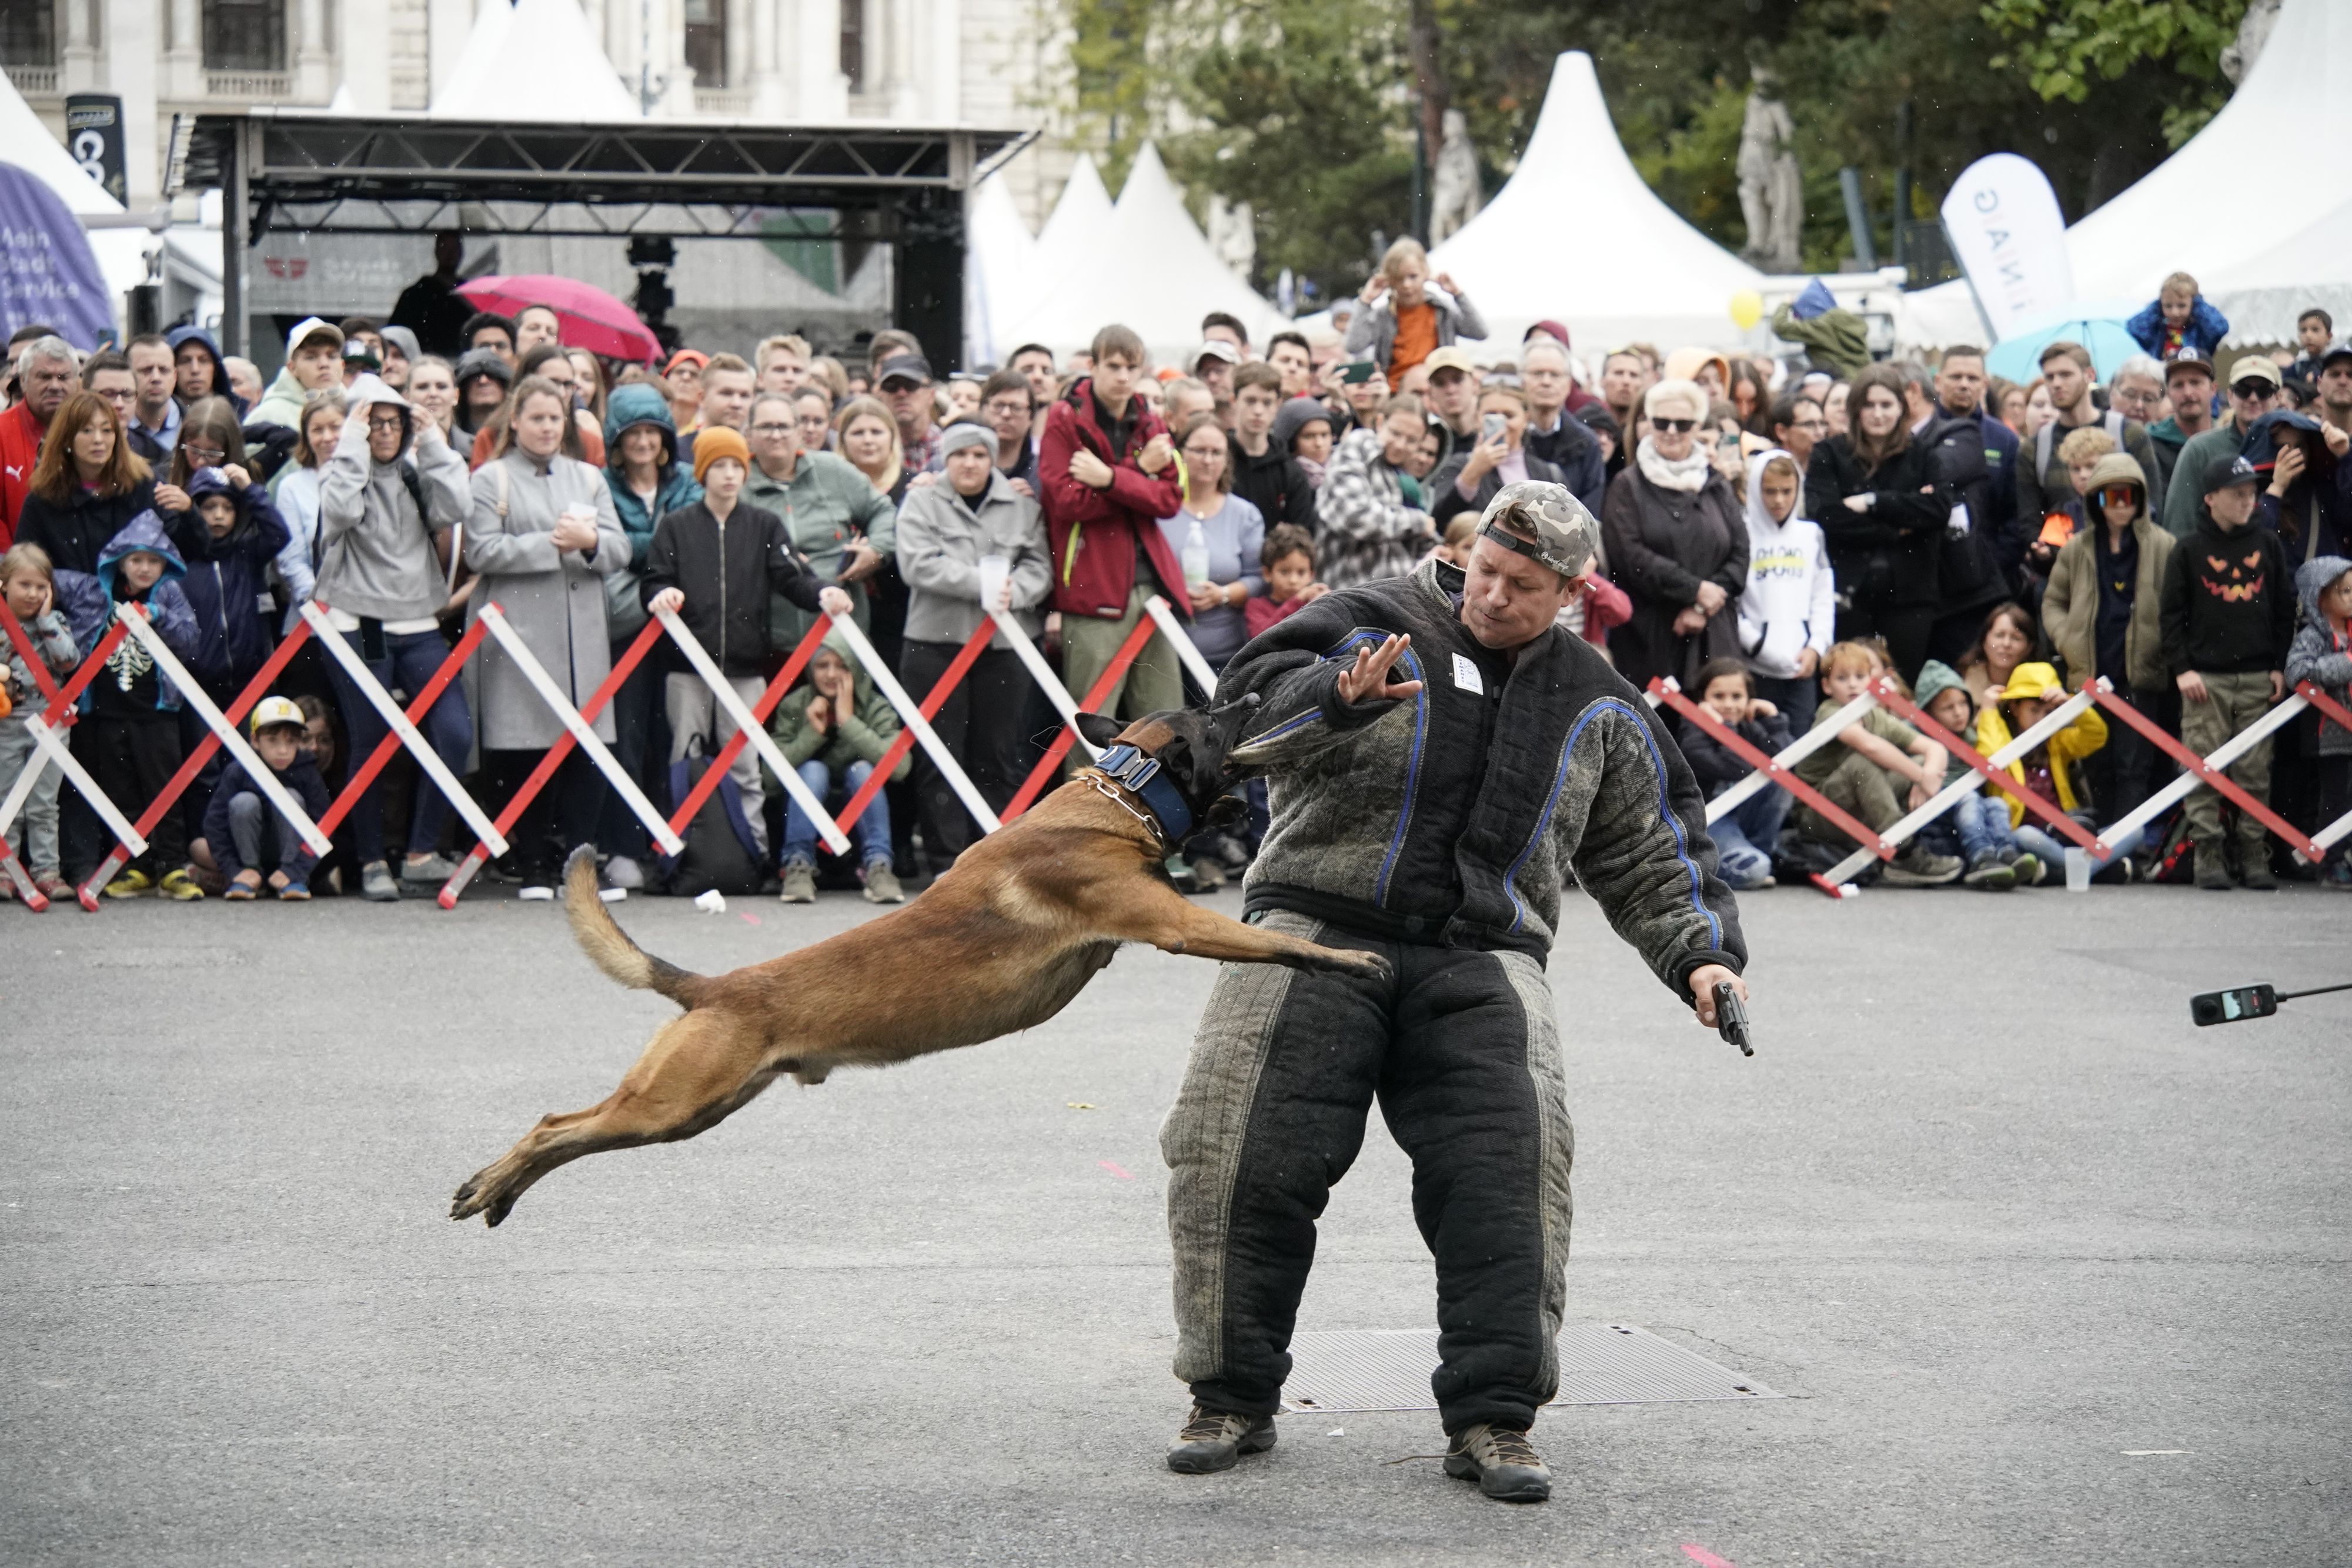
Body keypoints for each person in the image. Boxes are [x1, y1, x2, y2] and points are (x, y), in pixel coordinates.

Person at [1164, 481, 1746, 1502]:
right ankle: (1230, 1396)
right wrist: (1336, 700)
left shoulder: (1597, 697)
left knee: (1512, 1178)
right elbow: (1237, 717)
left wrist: (1701, 955)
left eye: (1523, 586)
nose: (1492, 595)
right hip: (1313, 924)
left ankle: (1494, 1418)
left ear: (1573, 590)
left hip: (1485, 952)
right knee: (1237, 1155)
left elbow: (1653, 844)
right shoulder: (1364, 617)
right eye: (1483, 569)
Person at [643, 424, 850, 884]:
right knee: (683, 760)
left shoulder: (765, 525)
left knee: (746, 768)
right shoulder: (676, 526)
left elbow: (791, 576)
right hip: (687, 669)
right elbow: (653, 579)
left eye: (737, 465)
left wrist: (824, 593)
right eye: (720, 466)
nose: (731, 475)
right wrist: (662, 594)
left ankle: (755, 854)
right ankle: (679, 855)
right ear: (703, 473)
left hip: (743, 668)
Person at [464, 375, 630, 900]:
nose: (546, 428)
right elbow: (481, 552)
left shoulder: (589, 477)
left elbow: (620, 549)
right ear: (514, 420)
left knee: (588, 746)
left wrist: (592, 542)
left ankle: (580, 864)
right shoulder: (492, 479)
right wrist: (554, 545)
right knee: (523, 745)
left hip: (581, 630)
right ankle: (533, 860)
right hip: (520, 630)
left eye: (555, 418)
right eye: (536, 418)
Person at [316, 373, 472, 902]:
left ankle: (421, 852)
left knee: (453, 730)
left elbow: (456, 506)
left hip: (418, 622)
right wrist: (352, 443)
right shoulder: (344, 468)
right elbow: (340, 512)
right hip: (363, 624)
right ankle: (371, 860)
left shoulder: (413, 469)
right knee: (372, 741)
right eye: (373, 421)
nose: (384, 431)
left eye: (393, 421)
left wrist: (432, 442)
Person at [894, 422, 1051, 867]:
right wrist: (982, 583)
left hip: (1004, 644)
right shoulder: (922, 500)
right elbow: (917, 564)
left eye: (980, 455)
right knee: (939, 754)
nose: (970, 463)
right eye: (960, 454)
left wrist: (1014, 591)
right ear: (945, 457)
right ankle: (948, 861)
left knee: (999, 753)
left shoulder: (1021, 505)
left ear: (993, 458)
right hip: (934, 643)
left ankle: (1000, 860)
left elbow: (1040, 565)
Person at [1038, 323, 1189, 726]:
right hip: (1094, 588)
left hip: (1153, 586)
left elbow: (1171, 498)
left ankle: (1159, 793)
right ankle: (1086, 794)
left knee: (1164, 725)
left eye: (1132, 367)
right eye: (1114, 365)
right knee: (1091, 726)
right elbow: (1069, 501)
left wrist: (1109, 478)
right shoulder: (1064, 417)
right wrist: (1139, 472)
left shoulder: (1148, 416)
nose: (1124, 376)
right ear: (1093, 366)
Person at [2160, 456, 2293, 890]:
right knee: (2204, 766)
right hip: (2205, 679)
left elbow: (2282, 608)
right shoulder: (2189, 549)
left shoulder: (2268, 544)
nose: (2246, 501)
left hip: (2257, 676)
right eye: (2237, 493)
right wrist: (2182, 669)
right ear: (2211, 498)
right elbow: (2170, 615)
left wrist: (2278, 664)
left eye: (2251, 493)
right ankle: (2208, 852)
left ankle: (2254, 851)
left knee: (2255, 770)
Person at [61, 513, 203, 899]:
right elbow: (43, 576)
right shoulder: (95, 591)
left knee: (165, 788)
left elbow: (191, 640)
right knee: (119, 790)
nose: (145, 568)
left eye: (154, 561)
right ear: (120, 561)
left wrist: (159, 616)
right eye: (136, 560)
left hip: (156, 711)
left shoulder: (170, 594)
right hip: (107, 710)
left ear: (165, 564)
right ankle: (135, 864)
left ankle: (172, 865)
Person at [2041, 452, 2174, 823]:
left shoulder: (2163, 546)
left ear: (2141, 499)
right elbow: (2053, 601)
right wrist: (2067, 639)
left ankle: (2127, 843)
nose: (2118, 505)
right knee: (2096, 759)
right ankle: (2100, 840)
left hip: (2140, 672)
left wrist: (2162, 646)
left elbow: (2177, 606)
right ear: (2095, 500)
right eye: (2109, 496)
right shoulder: (2076, 549)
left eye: (2127, 495)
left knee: (2134, 763)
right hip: (2091, 670)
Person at [1602, 378, 1747, 695]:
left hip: (1714, 632)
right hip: (1651, 633)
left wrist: (1701, 606)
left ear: (1697, 427)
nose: (1671, 431)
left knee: (1713, 734)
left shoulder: (1716, 484)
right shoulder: (1628, 485)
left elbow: (1740, 555)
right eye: (1662, 422)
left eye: (1682, 424)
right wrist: (1693, 589)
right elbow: (1629, 556)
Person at [1808, 363, 1950, 681]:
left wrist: (1874, 502)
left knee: (1901, 684)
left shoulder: (1923, 454)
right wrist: (1897, 526)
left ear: (1902, 407)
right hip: (1849, 591)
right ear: (1855, 410)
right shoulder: (1829, 454)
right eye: (1869, 405)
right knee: (1846, 685)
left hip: (1910, 593)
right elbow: (1828, 516)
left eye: (1886, 405)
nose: (1878, 414)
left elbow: (1938, 509)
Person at [1788, 641, 1962, 884]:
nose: (1852, 684)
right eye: (1842, 678)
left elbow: (1934, 747)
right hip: (1817, 815)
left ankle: (1904, 841)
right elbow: (1869, 746)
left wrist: (1928, 776)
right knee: (1862, 763)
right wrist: (1921, 777)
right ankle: (1904, 852)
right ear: (1827, 686)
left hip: (1857, 807)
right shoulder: (1830, 711)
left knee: (1923, 761)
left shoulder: (1875, 714)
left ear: (1871, 680)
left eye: (1860, 676)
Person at [742, 392, 896, 651]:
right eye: (766, 427)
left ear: (799, 432)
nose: (776, 435)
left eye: (784, 426)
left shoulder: (833, 470)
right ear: (748, 435)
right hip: (769, 640)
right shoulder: (738, 484)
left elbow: (884, 512)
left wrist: (877, 550)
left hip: (840, 636)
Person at [768, 636, 905, 903]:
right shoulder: (794, 705)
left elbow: (900, 768)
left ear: (854, 668)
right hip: (806, 821)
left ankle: (878, 866)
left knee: (863, 770)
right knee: (813, 770)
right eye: (822, 665)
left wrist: (848, 722)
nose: (831, 674)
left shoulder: (875, 706)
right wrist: (812, 733)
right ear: (810, 670)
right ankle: (797, 865)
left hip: (859, 825)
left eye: (841, 666)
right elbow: (769, 779)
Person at [161, 464, 291, 713]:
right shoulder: (180, 557)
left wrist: (250, 489)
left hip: (249, 683)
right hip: (196, 686)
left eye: (228, 508)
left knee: (246, 752)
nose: (219, 515)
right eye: (209, 507)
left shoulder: (248, 553)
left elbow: (279, 534)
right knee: (203, 753)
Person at [1972, 661, 2114, 874]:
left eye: (2048, 712)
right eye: (2034, 710)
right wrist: (1988, 710)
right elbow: (1990, 756)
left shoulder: (2057, 742)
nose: (2041, 719)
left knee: (2135, 831)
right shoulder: (2002, 738)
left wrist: (2070, 704)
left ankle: (2064, 872)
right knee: (2026, 835)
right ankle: (2092, 871)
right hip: (2026, 837)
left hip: (2065, 833)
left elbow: (2096, 736)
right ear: (2014, 707)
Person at [1736, 447, 1835, 730]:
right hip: (1757, 665)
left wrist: (1816, 646)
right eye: (1770, 491)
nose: (1779, 500)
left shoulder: (1811, 535)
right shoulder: (1742, 533)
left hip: (1801, 665)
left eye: (1787, 491)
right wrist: (1757, 646)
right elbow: (1733, 601)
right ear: (1756, 490)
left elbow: (1822, 596)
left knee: (1798, 744)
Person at [1158, 417, 1266, 674]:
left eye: (1216, 453)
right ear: (1180, 453)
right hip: (1165, 655)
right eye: (1199, 451)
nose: (1208, 460)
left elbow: (1259, 579)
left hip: (1228, 654)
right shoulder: (1159, 511)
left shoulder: (1244, 514)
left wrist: (1223, 594)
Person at [0, 541, 77, 899]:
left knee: (45, 803)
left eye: (40, 587)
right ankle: (6, 869)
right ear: (4, 584)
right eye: (24, 585)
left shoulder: (55, 622)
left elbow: (68, 661)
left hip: (50, 725)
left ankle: (47, 871)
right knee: (6, 799)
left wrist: (46, 620)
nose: (32, 594)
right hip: (6, 725)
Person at [14, 390, 158, 578]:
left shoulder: (140, 485)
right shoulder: (43, 499)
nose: (98, 440)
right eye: (87, 431)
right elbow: (26, 567)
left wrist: (188, 511)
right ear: (67, 438)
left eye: (107, 430)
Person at [2019, 341, 2165, 526]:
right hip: (2064, 552)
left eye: (2065, 375)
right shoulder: (2035, 448)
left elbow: (2152, 506)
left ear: (2090, 375)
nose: (2056, 384)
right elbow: (2029, 520)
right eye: (2050, 377)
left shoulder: (2129, 434)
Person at [1910, 661, 2027, 889]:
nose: (1959, 713)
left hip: (1965, 818)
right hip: (1934, 823)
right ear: (1929, 713)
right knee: (1970, 797)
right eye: (1948, 708)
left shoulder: (1971, 738)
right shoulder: (1917, 738)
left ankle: (2006, 853)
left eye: (1963, 703)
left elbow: (1993, 757)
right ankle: (1981, 858)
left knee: (1995, 804)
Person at [205, 696, 332, 901]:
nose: (282, 750)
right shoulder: (238, 771)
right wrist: (234, 870)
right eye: (272, 740)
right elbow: (214, 823)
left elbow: (325, 825)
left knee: (291, 797)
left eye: (291, 741)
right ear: (255, 740)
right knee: (243, 802)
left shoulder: (307, 772)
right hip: (246, 854)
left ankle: (292, 881)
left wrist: (296, 869)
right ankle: (248, 878)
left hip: (291, 858)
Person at [1681, 657, 1792, 890]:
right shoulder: (1692, 736)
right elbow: (1737, 769)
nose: (1729, 705)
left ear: (1749, 699)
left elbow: (1785, 762)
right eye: (1719, 697)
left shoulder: (1749, 728)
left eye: (1737, 697)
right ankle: (1705, 868)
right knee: (1756, 870)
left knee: (1778, 782)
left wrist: (1773, 718)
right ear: (1703, 700)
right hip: (1712, 820)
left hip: (1743, 817)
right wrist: (1722, 727)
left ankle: (1756, 854)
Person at [1317, 393, 1436, 593]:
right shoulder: (1361, 445)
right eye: (1396, 433)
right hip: (1349, 591)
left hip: (1392, 594)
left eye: (1411, 440)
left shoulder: (1404, 476)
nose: (1400, 445)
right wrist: (1418, 522)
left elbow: (1421, 537)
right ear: (1380, 423)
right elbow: (1353, 517)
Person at [2163, 356, 2285, 539]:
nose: (2253, 398)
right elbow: (2180, 527)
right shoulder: (2200, 449)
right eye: (2243, 390)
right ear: (2230, 396)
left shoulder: (2292, 447)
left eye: (2264, 391)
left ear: (2278, 397)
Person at [2287, 554, 2352, 888]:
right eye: (2345, 591)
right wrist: (2345, 664)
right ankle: (2331, 861)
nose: (2351, 598)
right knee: (2336, 799)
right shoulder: (2315, 636)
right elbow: (2297, 671)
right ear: (2320, 598)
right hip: (2332, 734)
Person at [1432, 382, 1572, 536]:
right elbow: (1440, 524)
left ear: (1525, 419)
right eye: (1491, 415)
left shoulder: (1549, 473)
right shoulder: (1458, 465)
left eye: (1509, 416)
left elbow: (1568, 529)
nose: (1502, 424)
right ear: (1477, 419)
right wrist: (1472, 473)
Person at [1343, 237, 1486, 384]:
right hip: (1395, 392)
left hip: (1434, 390)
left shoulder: (1441, 310)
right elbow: (1353, 346)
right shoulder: (1383, 315)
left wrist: (1457, 294)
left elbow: (1480, 333)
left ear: (1426, 273)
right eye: (1399, 279)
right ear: (1389, 280)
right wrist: (1365, 301)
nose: (1407, 285)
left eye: (1413, 277)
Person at [2, 337, 83, 541]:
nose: (55, 386)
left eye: (63, 377)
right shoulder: (2, 432)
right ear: (23, 381)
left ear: (77, 381)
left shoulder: (96, 430)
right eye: (44, 377)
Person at [1516, 337, 1606, 514]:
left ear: (1568, 385)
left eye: (1555, 375)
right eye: (1537, 374)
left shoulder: (1587, 443)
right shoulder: (1510, 438)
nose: (1547, 382)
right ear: (1522, 382)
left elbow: (1590, 511)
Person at [1227, 363, 1316, 534]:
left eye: (1267, 403)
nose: (1258, 411)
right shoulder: (1218, 459)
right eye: (1250, 401)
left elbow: (1302, 534)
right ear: (1234, 401)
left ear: (1278, 405)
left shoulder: (1291, 472)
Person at [248, 319, 346, 439]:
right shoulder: (268, 416)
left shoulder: (357, 410)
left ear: (342, 365)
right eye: (311, 357)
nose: (324, 364)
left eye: (332, 356)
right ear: (292, 368)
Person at [390, 233, 479, 357]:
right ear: (436, 252)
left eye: (454, 249)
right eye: (445, 248)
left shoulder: (471, 294)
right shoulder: (416, 295)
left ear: (461, 253)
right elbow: (397, 333)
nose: (450, 254)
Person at [1244, 522, 1327, 637]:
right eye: (1284, 572)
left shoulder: (1314, 604)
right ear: (1267, 573)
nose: (1293, 581)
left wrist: (1327, 602)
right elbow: (1263, 638)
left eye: (1301, 572)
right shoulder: (1256, 607)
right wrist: (1297, 601)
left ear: (1312, 575)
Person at [2126, 270, 2230, 361]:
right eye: (2168, 306)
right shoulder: (2157, 332)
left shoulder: (2200, 333)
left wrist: (2198, 303)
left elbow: (2220, 328)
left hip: (2191, 377)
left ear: (2194, 304)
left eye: (2182, 306)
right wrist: (2158, 306)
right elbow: (2134, 327)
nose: (2175, 313)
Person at [2149, 352, 2217, 487]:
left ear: (2213, 389)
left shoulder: (2228, 440)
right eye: (2179, 385)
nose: (2188, 393)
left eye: (2195, 382)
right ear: (2168, 393)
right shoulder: (2152, 446)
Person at [973, 370, 1037, 493]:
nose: (1006, 414)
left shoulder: (1042, 474)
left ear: (1031, 418)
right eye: (998, 406)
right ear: (981, 410)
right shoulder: (949, 465)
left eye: (1017, 408)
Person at [125, 334, 182, 462]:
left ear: (175, 376)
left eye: (164, 370)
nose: (156, 378)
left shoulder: (195, 427)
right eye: (146, 370)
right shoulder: (113, 430)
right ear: (126, 376)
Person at [1273, 397, 1335, 493]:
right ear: (1291, 442)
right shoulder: (1281, 479)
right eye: (1309, 436)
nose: (1319, 444)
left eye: (1324, 435)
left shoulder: (1345, 471)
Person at [452, 348, 513, 444]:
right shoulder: (448, 437)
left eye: (491, 375)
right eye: (475, 376)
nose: (483, 381)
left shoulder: (519, 434)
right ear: (463, 388)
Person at [168, 326, 234, 411]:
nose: (195, 370)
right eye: (184, 361)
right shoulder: (159, 422)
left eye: (204, 361)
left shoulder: (241, 418)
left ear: (216, 369)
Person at [404, 355, 459, 439]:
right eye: (422, 387)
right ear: (407, 397)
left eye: (442, 387)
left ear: (456, 396)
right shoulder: (396, 450)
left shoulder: (473, 447)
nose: (433, 394)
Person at [664, 349, 710, 434]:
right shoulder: (652, 419)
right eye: (680, 372)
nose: (686, 377)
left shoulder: (710, 429)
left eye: (695, 375)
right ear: (666, 379)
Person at [1265, 331, 1313, 399]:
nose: (1293, 368)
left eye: (1300, 364)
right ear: (1267, 365)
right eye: (1285, 361)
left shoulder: (1318, 409)